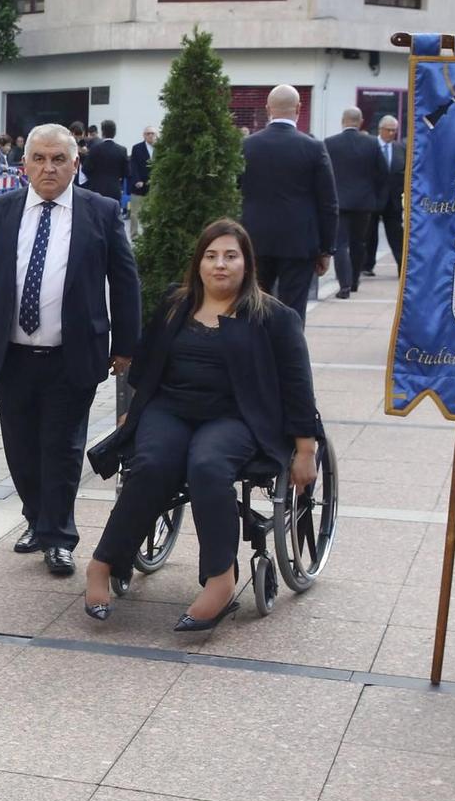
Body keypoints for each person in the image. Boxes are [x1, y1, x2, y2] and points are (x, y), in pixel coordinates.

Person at [85, 220, 317, 628]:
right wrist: (132, 411)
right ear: (199, 263)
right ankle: (103, 564)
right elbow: (147, 364)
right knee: (151, 463)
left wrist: (305, 449)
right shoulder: (177, 304)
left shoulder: (273, 317)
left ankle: (220, 579)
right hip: (170, 407)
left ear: (247, 264)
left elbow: (298, 387)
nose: (220, 265)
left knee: (208, 466)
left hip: (237, 416)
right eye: (211, 256)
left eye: (230, 256)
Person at [0, 125, 139, 578]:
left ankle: (59, 536)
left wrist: (126, 346)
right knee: (20, 447)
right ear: (25, 165)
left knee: (62, 446)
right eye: (39, 158)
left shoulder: (102, 212)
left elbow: (126, 281)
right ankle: (36, 517)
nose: (48, 167)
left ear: (76, 165)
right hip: (11, 354)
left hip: (72, 354)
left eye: (58, 159)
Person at [240, 86, 336, 319]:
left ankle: (258, 354)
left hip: (255, 240)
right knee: (293, 310)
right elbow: (328, 203)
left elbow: (234, 191)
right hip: (299, 242)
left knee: (254, 306)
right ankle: (290, 354)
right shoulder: (314, 148)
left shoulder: (246, 146)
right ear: (299, 108)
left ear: (267, 109)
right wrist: (326, 249)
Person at [322, 107, 386, 299]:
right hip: (364, 202)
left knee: (340, 244)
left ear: (343, 120)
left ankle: (344, 285)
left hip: (339, 201)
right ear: (361, 121)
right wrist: (375, 195)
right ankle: (355, 280)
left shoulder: (330, 143)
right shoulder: (372, 143)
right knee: (359, 242)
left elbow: (324, 172)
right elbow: (382, 172)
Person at [366, 114, 405, 275]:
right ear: (380, 129)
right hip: (373, 198)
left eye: (394, 131)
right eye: (388, 130)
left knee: (397, 236)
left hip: (393, 200)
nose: (391, 133)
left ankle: (402, 267)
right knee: (369, 235)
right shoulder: (370, 147)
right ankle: (367, 266)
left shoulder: (400, 149)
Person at [79, 123, 127, 203]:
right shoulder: (122, 150)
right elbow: (126, 172)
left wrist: (93, 178)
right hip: (114, 188)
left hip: (96, 188)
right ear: (114, 133)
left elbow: (85, 169)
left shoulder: (95, 149)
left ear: (102, 133)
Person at [126, 128, 157, 238]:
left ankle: (148, 235)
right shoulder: (137, 148)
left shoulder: (159, 148)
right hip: (139, 186)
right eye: (148, 134)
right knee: (135, 213)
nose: (150, 136)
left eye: (152, 133)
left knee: (150, 213)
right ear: (144, 135)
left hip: (153, 187)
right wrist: (137, 180)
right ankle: (134, 235)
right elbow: (133, 166)